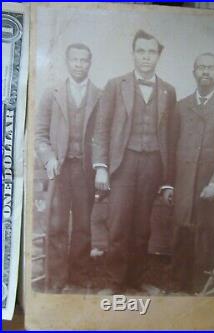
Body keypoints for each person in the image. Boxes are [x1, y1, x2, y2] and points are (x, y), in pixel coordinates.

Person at [92, 30, 176, 293]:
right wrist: (102, 167)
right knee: (118, 225)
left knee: (142, 228)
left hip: (152, 165)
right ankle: (115, 283)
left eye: (151, 52)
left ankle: (136, 281)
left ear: (159, 55)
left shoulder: (168, 91)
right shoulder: (116, 85)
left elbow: (171, 138)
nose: (146, 57)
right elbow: (101, 128)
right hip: (122, 165)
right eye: (141, 51)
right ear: (133, 53)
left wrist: (167, 181)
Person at [35, 43, 101, 292]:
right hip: (59, 170)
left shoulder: (99, 95)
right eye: (75, 59)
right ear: (67, 61)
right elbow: (40, 134)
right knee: (57, 225)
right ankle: (57, 278)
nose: (79, 64)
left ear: (90, 63)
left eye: (84, 60)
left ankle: (79, 276)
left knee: (84, 225)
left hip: (85, 171)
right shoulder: (51, 93)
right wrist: (49, 157)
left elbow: (102, 135)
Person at [172, 53, 214, 294]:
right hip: (183, 183)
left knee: (205, 235)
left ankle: (202, 289)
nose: (205, 72)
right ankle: (178, 285)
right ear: (194, 72)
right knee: (181, 230)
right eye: (201, 67)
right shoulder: (181, 106)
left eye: (211, 68)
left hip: (208, 183)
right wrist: (170, 184)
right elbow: (172, 145)